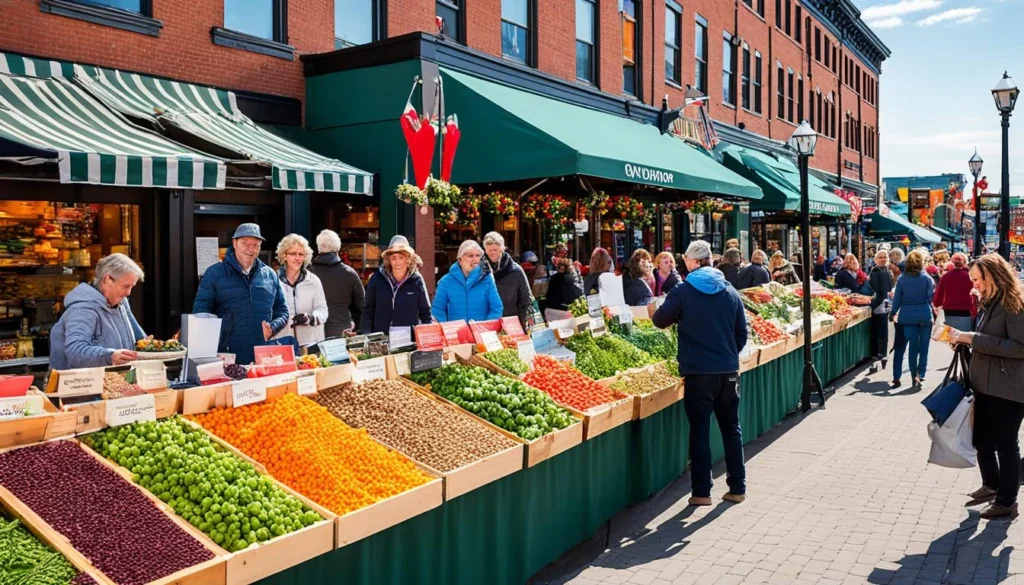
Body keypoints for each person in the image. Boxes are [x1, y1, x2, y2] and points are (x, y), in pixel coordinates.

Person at [650, 240, 748, 506]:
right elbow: (742, 334)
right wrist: (727, 354)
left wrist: (654, 311)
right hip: (728, 371)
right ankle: (737, 488)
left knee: (700, 430)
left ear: (693, 262)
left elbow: (660, 320)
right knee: (731, 428)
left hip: (698, 373)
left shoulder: (683, 290)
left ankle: (702, 493)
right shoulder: (730, 291)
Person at [953, 254, 1024, 519]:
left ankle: (1007, 502)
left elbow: (1020, 347)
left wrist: (973, 338)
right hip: (985, 383)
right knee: (983, 439)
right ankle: (991, 485)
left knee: (1006, 444)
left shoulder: (1013, 303)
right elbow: (987, 340)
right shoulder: (989, 301)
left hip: (1009, 387)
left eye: (977, 279)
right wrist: (963, 342)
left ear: (992, 276)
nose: (974, 284)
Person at [193, 223, 288, 365]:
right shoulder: (214, 274)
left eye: (255, 245)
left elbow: (283, 311)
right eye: (245, 243)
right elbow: (200, 314)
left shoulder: (270, 275)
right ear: (234, 243)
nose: (250, 249)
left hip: (262, 357)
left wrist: (273, 327)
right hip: (226, 357)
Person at [49, 253, 146, 370]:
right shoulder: (82, 308)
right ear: (108, 280)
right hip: (77, 380)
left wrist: (156, 347)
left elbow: (140, 340)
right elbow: (75, 352)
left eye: (131, 287)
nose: (128, 293)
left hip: (115, 378)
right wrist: (110, 356)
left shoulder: (121, 302)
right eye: (125, 286)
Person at [360, 236, 432, 334]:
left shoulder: (417, 280)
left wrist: (427, 336)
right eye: (393, 257)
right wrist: (366, 333)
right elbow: (368, 310)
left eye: (401, 257)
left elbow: (425, 313)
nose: (397, 261)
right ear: (388, 260)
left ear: (408, 259)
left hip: (408, 339)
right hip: (381, 338)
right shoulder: (376, 279)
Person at [272, 234, 328, 347]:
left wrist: (310, 318)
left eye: (301, 254)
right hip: (282, 343)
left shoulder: (313, 281)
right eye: (293, 253)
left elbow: (323, 310)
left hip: (310, 344)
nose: (297, 258)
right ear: (284, 256)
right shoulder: (273, 281)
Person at [889, 249, 935, 388]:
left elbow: (897, 299)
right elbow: (931, 298)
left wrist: (893, 312)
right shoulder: (927, 279)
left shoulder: (902, 279)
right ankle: (921, 374)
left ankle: (914, 375)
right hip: (924, 316)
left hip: (907, 317)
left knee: (913, 347)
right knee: (924, 347)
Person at [309, 229, 364, 337]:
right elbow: (364, 305)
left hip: (314, 331)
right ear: (338, 248)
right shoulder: (349, 273)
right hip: (342, 331)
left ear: (319, 247)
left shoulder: (308, 273)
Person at [432, 240, 503, 322]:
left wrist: (485, 327)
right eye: (470, 256)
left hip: (481, 329)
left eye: (478, 256)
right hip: (455, 330)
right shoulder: (446, 282)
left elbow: (496, 308)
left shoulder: (487, 279)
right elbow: (438, 309)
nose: (475, 259)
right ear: (460, 260)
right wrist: (447, 328)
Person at [482, 232, 533, 328]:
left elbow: (526, 300)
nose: (492, 253)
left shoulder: (516, 271)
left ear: (502, 248)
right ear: (485, 250)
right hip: (486, 324)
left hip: (510, 324)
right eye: (489, 250)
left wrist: (524, 327)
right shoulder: (479, 271)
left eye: (495, 249)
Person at [934, 252, 975, 332]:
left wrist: (937, 304)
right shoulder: (969, 276)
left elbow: (938, 297)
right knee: (965, 335)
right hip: (966, 310)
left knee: (950, 336)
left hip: (949, 311)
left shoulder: (946, 276)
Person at [868, 249, 894, 371]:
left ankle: (882, 352)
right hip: (879, 303)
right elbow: (876, 289)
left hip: (886, 302)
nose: (883, 259)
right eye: (880, 257)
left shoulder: (887, 270)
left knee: (883, 328)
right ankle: (880, 353)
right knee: (880, 329)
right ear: (876, 260)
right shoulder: (875, 271)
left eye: (885, 257)